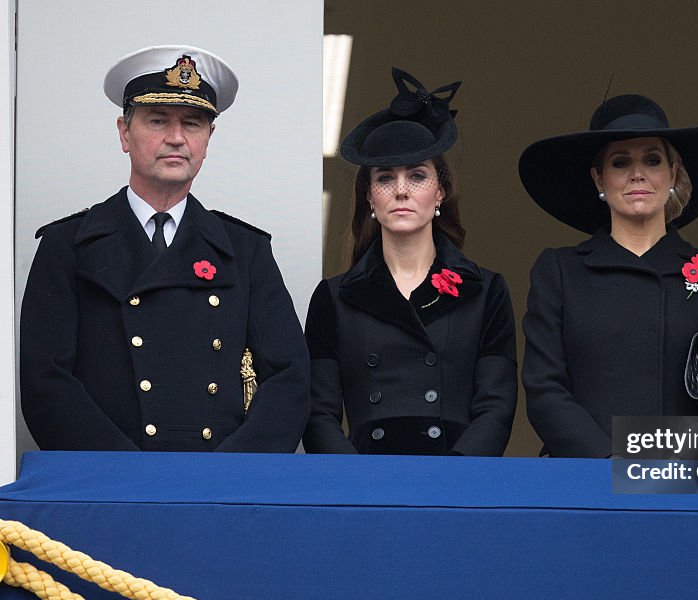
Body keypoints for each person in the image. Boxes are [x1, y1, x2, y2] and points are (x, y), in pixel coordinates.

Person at [20, 45, 310, 452]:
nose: (176, 138)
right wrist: (129, 475)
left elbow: (289, 379)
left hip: (218, 490)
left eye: (192, 124)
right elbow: (44, 380)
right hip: (109, 485)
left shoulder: (245, 252)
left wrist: (229, 474)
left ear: (208, 139)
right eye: (158, 121)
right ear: (124, 132)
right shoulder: (67, 246)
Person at [518, 94, 698, 457]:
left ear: (673, 174)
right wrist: (609, 463)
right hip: (587, 482)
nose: (638, 173)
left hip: (688, 487)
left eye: (652, 160)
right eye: (620, 162)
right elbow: (544, 391)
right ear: (598, 178)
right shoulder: (560, 271)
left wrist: (682, 466)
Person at [303, 68, 517, 456]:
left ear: (440, 192)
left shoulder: (486, 291)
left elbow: (496, 407)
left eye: (417, 176)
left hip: (454, 481)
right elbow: (318, 414)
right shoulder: (333, 297)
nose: (401, 190)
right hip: (364, 482)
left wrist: (455, 477)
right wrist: (355, 481)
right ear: (370, 196)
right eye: (385, 178)